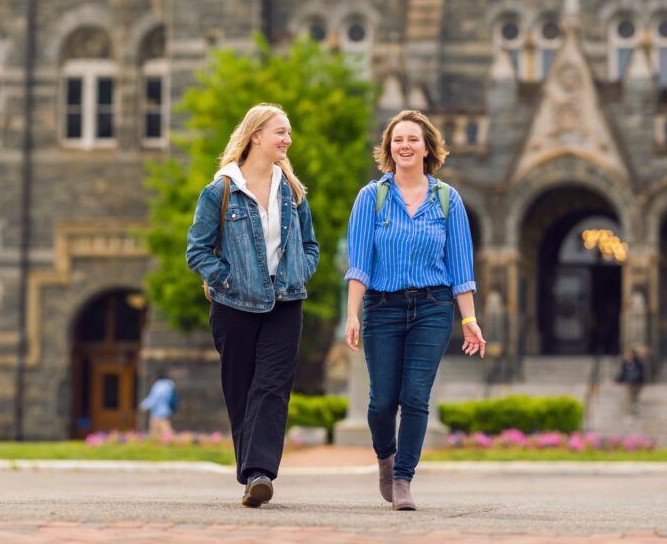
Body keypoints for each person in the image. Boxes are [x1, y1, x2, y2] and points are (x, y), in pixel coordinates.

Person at [343, 109, 486, 511]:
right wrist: (353, 314)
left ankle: (404, 479)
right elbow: (359, 264)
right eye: (397, 140)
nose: (405, 146)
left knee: (416, 397)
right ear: (389, 148)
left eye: (413, 139)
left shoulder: (447, 199)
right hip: (383, 307)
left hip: (432, 308)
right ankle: (386, 459)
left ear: (427, 148)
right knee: (382, 401)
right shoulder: (371, 197)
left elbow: (461, 267)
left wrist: (470, 320)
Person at [186, 103, 319, 508]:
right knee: (240, 389)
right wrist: (226, 277)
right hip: (233, 307)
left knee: (272, 387)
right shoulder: (221, 191)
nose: (287, 139)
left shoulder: (292, 192)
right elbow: (197, 252)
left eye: (289, 133)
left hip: (285, 304)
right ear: (256, 135)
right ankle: (250, 474)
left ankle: (260, 473)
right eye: (280, 131)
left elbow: (310, 246)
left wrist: (299, 271)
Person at [140, 370, 177, 439]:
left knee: (157, 430)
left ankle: (168, 441)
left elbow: (155, 398)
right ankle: (168, 441)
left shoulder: (159, 386)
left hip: (158, 411)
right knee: (164, 428)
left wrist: (145, 405)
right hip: (166, 410)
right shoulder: (168, 385)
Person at [615, 348, 646, 418]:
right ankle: (631, 413)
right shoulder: (625, 363)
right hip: (629, 383)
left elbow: (642, 373)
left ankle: (635, 411)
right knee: (629, 398)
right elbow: (623, 373)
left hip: (637, 383)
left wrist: (642, 383)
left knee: (635, 398)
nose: (629, 356)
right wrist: (618, 379)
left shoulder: (638, 363)